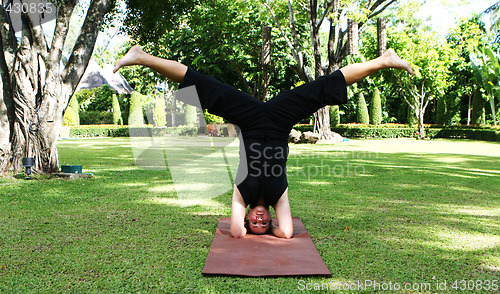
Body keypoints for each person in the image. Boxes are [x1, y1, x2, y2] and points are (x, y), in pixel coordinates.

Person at [114, 45, 414, 239]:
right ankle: (383, 60)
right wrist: (271, 225)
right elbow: (285, 232)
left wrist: (243, 224)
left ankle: (142, 58)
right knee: (324, 88)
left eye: (252, 223)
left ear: (246, 219)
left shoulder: (241, 195)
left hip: (251, 119)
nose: (257, 221)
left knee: (203, 86)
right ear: (268, 218)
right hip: (281, 118)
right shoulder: (277, 195)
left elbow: (234, 231)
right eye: (262, 224)